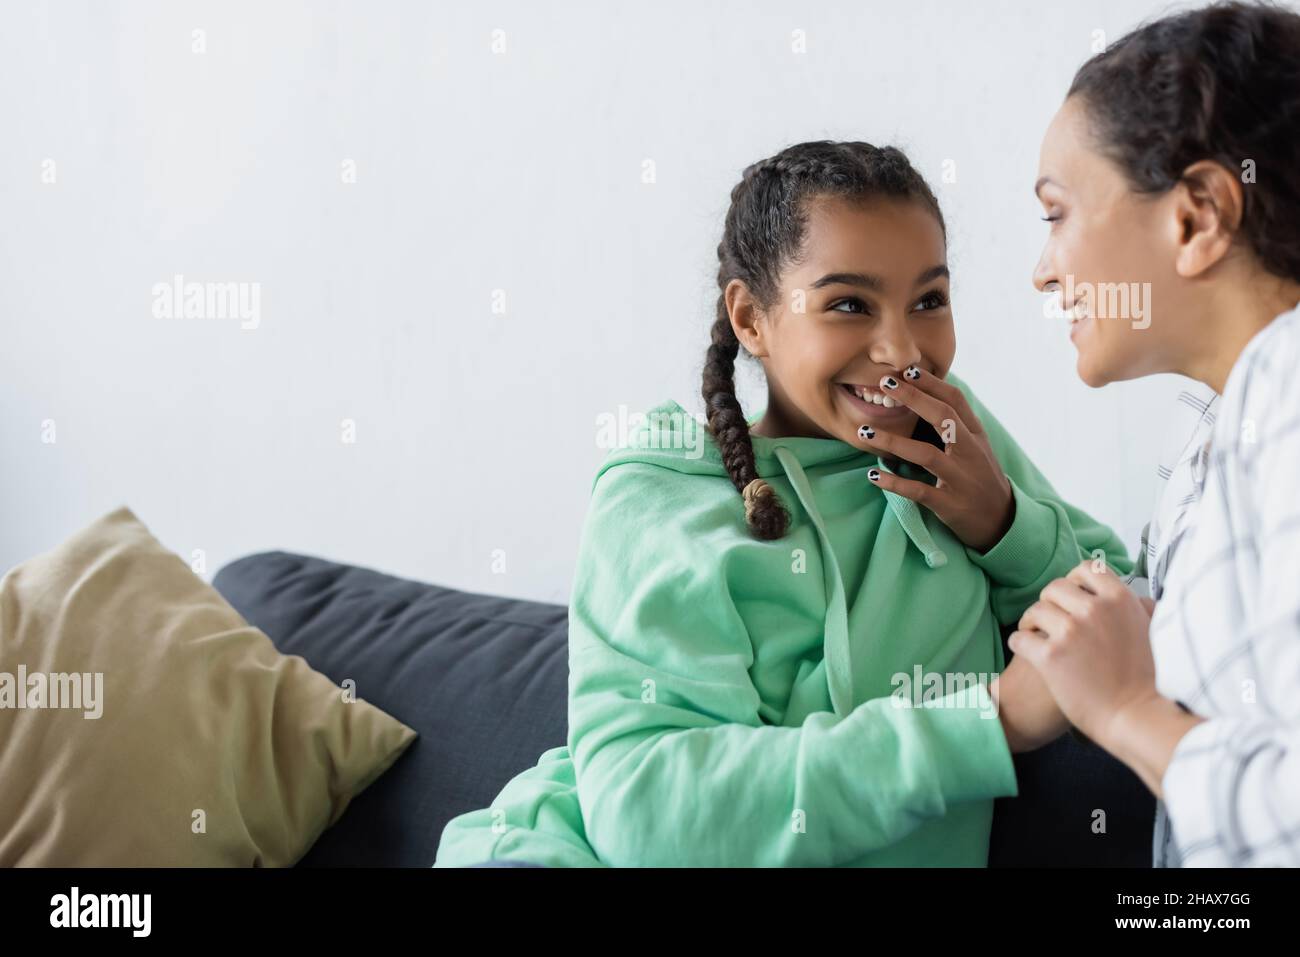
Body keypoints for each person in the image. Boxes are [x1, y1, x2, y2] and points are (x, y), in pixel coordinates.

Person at [434, 139, 1130, 867]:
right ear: (751, 319)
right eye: (849, 304)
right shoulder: (657, 497)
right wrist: (986, 723)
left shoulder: (949, 441)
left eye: (929, 300)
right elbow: (648, 813)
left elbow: (1131, 604)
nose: (902, 349)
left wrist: (1001, 522)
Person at [1014, 0, 1300, 866]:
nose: (1042, 270)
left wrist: (1126, 711)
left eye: (1056, 214)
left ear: (1197, 216)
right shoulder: (1224, 436)